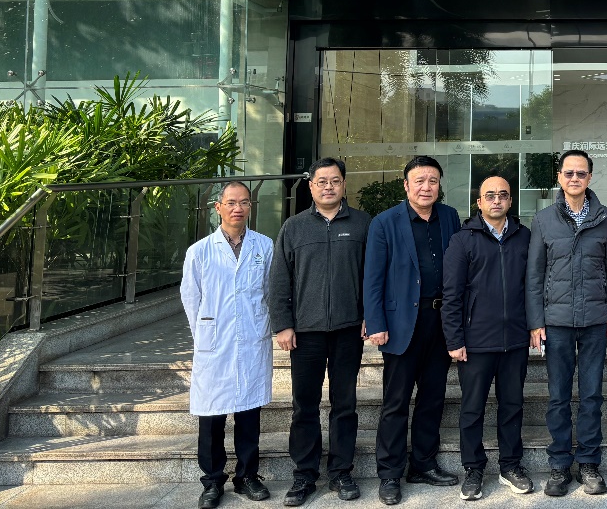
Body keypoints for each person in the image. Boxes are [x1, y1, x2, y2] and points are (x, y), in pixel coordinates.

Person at [270, 157, 371, 506]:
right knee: (304, 406)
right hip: (306, 332)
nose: (329, 187)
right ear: (311, 186)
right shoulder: (294, 227)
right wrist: (283, 324)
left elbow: (372, 276)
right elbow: (279, 279)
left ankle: (341, 471)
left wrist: (370, 316)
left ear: (344, 184)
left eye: (335, 181)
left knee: (345, 403)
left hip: (348, 330)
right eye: (322, 181)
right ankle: (304, 475)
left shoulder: (362, 224)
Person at [526, 149, 607, 497]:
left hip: (596, 320)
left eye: (580, 173)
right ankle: (558, 465)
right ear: (559, 177)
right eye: (568, 173)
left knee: (592, 395)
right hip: (556, 323)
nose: (574, 178)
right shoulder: (543, 220)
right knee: (558, 396)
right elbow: (534, 275)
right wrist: (536, 322)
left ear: (589, 178)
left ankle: (588, 463)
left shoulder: (606, 217)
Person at [364, 155, 462, 505]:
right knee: (396, 402)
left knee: (433, 398)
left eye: (432, 180)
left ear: (439, 185)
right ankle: (389, 473)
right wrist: (376, 322)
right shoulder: (385, 222)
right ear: (406, 185)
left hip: (441, 322)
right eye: (419, 180)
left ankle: (423, 464)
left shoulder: (449, 217)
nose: (426, 187)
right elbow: (373, 277)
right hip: (401, 324)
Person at [181, 181, 275, 509]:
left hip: (252, 338)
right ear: (218, 207)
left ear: (250, 207)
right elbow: (191, 298)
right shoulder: (200, 251)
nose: (238, 208)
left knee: (249, 413)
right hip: (214, 342)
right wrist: (204, 334)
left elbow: (270, 292)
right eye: (231, 202)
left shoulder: (265, 246)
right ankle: (212, 481)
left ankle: (247, 476)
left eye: (244, 202)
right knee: (212, 417)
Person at [441, 172, 534, 502]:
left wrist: (534, 326)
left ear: (510, 200)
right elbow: (451, 295)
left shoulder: (524, 237)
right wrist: (454, 340)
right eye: (490, 195)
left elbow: (533, 286)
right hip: (476, 341)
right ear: (478, 202)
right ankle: (473, 468)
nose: (497, 200)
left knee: (512, 406)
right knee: (472, 409)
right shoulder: (462, 240)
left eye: (503, 195)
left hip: (515, 339)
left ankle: (510, 466)